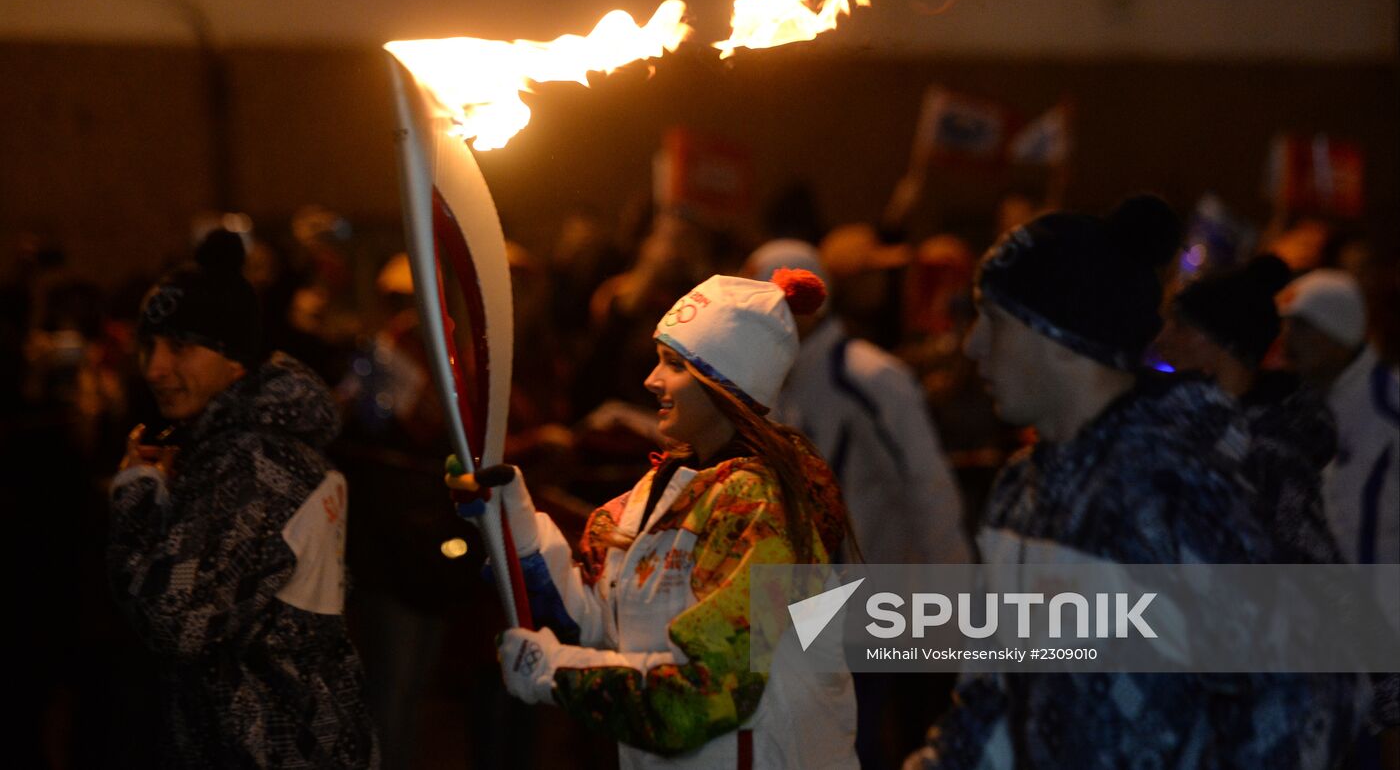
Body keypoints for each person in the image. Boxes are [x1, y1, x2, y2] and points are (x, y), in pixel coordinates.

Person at [905, 196, 1364, 769]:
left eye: (994, 321)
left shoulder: (1177, 491)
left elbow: (1306, 697)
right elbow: (996, 695)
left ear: (1063, 340)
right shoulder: (1021, 490)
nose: (972, 345)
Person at [482, 269, 858, 768]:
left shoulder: (762, 513)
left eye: (673, 364)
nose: (651, 379)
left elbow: (703, 697)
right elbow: (598, 627)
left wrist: (553, 672)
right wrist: (515, 522)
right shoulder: (653, 498)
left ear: (723, 382)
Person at [106, 229, 378, 768]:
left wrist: (135, 497)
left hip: (265, 750)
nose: (156, 367)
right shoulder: (246, 450)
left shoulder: (254, 464)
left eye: (180, 346)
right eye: (149, 346)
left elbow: (176, 622)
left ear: (236, 361)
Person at [747, 239, 970, 770]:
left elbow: (927, 486)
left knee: (848, 741)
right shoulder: (779, 379)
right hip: (796, 597)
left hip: (860, 598)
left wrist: (957, 599)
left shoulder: (869, 377)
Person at [1156, 254, 1342, 563]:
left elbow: (1315, 567)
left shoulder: (1270, 453)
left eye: (1180, 326)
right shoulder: (1194, 424)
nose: (1163, 338)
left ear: (1220, 343)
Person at [1279, 269, 1399, 568]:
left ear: (1337, 334)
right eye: (1287, 325)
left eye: (1303, 327)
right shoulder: (1302, 401)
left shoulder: (1387, 408)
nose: (1288, 340)